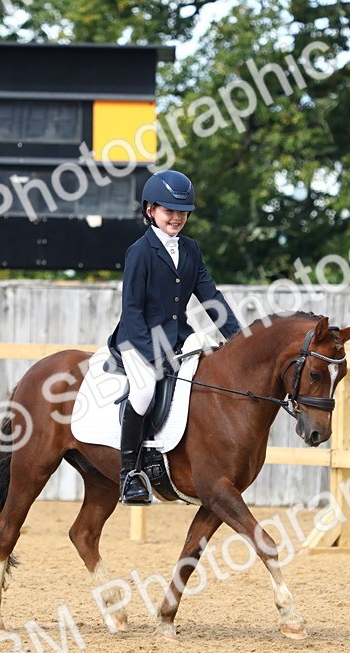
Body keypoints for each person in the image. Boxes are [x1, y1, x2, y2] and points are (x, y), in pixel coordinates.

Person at [106, 169, 243, 505]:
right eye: (169, 211)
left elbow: (210, 297)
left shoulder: (191, 249)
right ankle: (130, 475)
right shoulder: (140, 251)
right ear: (150, 210)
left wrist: (239, 338)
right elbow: (133, 309)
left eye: (182, 212)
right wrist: (153, 354)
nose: (177, 217)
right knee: (143, 390)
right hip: (138, 340)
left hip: (180, 339)